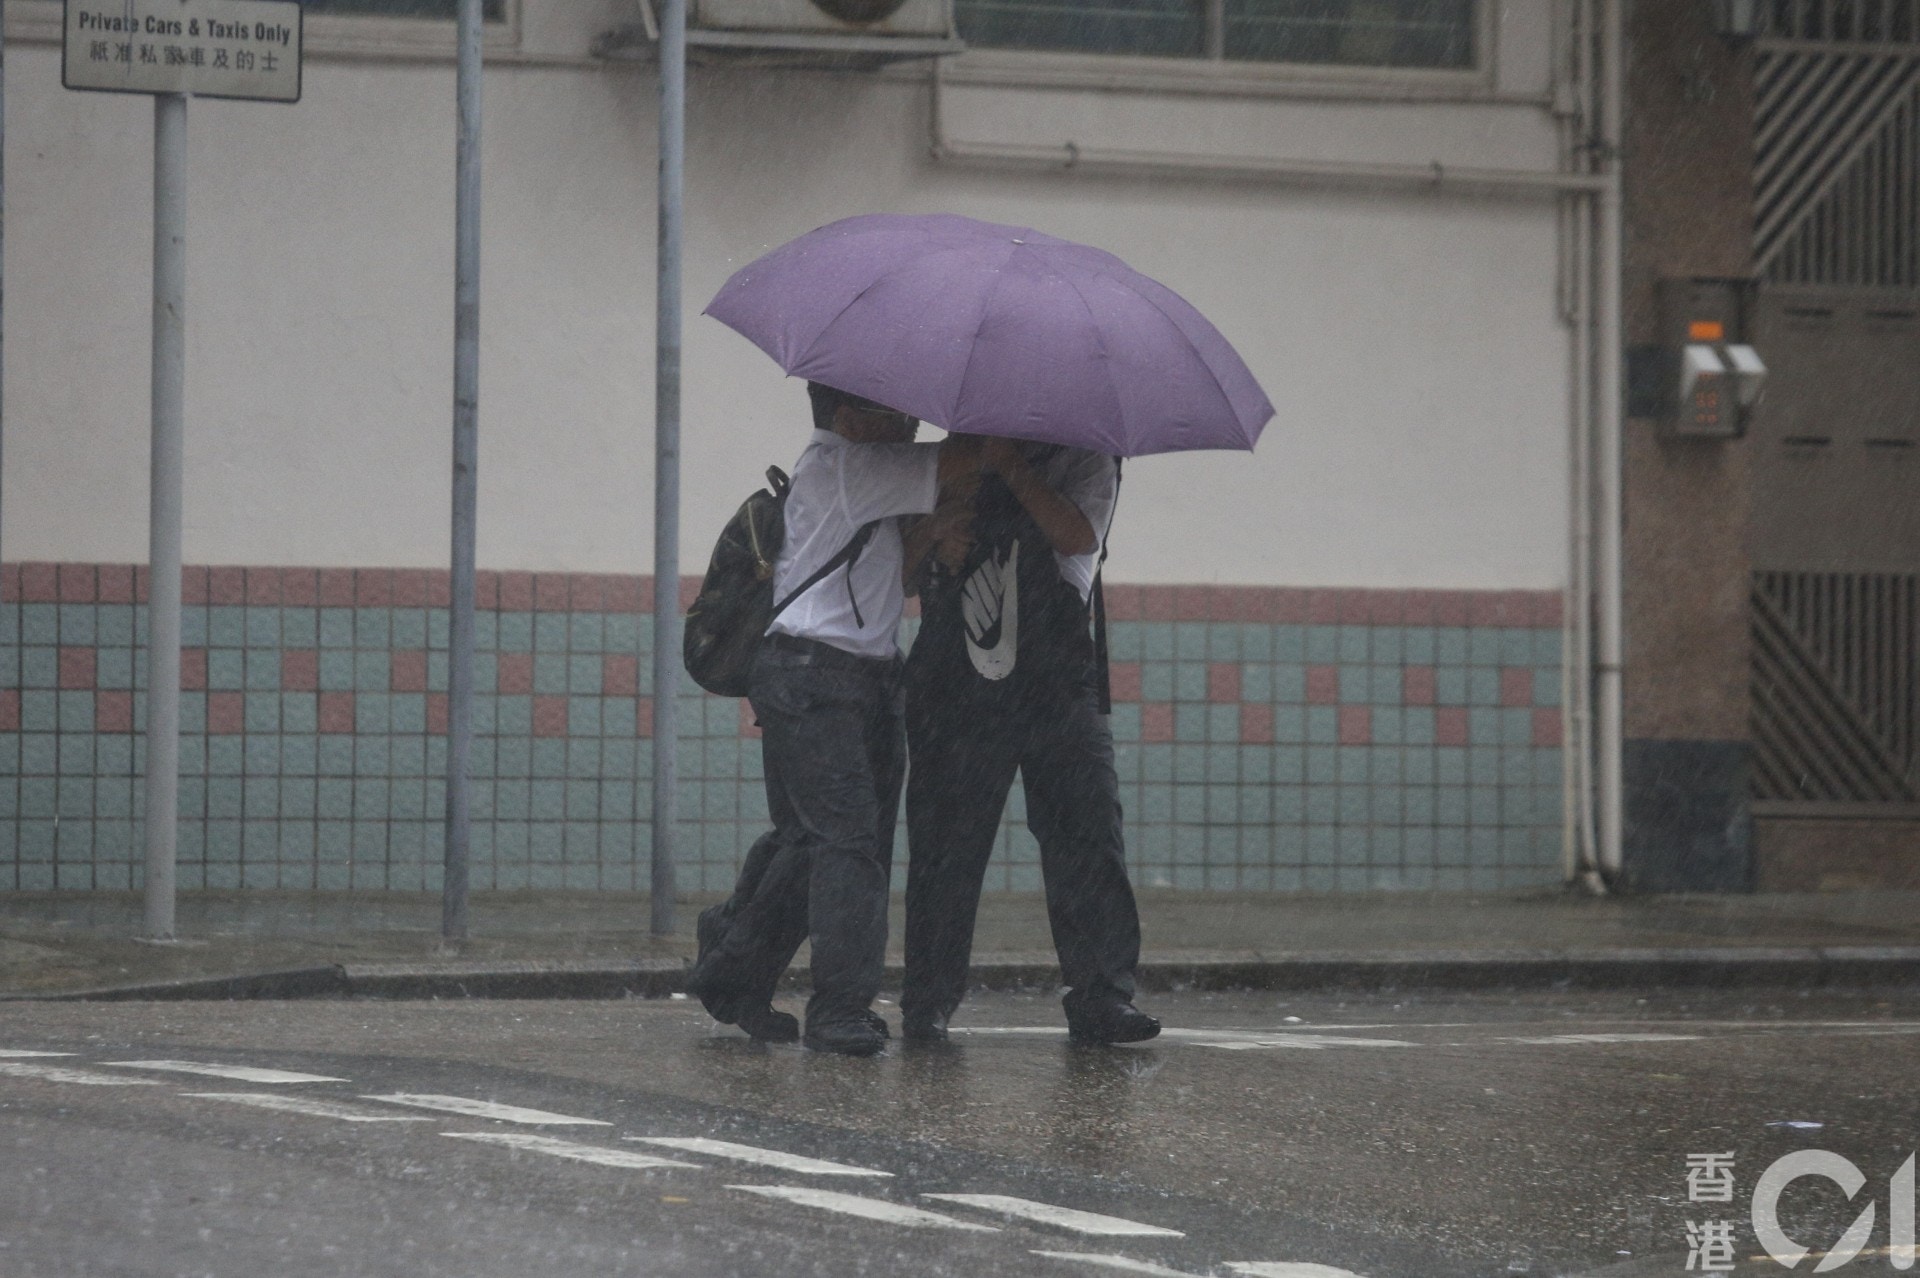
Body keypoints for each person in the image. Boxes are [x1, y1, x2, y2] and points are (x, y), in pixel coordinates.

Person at [686, 381, 979, 1057]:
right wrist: (999, 421)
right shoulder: (848, 464)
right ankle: (839, 1007)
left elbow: (892, 580)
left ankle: (731, 966)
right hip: (812, 677)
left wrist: (930, 530)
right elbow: (964, 460)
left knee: (812, 842)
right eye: (894, 409)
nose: (909, 421)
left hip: (865, 679)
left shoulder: (864, 478)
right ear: (849, 414)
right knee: (850, 847)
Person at [899, 437, 1159, 1045]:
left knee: (1087, 836)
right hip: (956, 684)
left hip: (1057, 682)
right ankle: (927, 1003)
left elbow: (1075, 537)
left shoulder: (1090, 458)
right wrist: (941, 532)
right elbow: (907, 573)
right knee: (946, 848)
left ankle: (1102, 995)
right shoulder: (955, 457)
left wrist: (1008, 464)